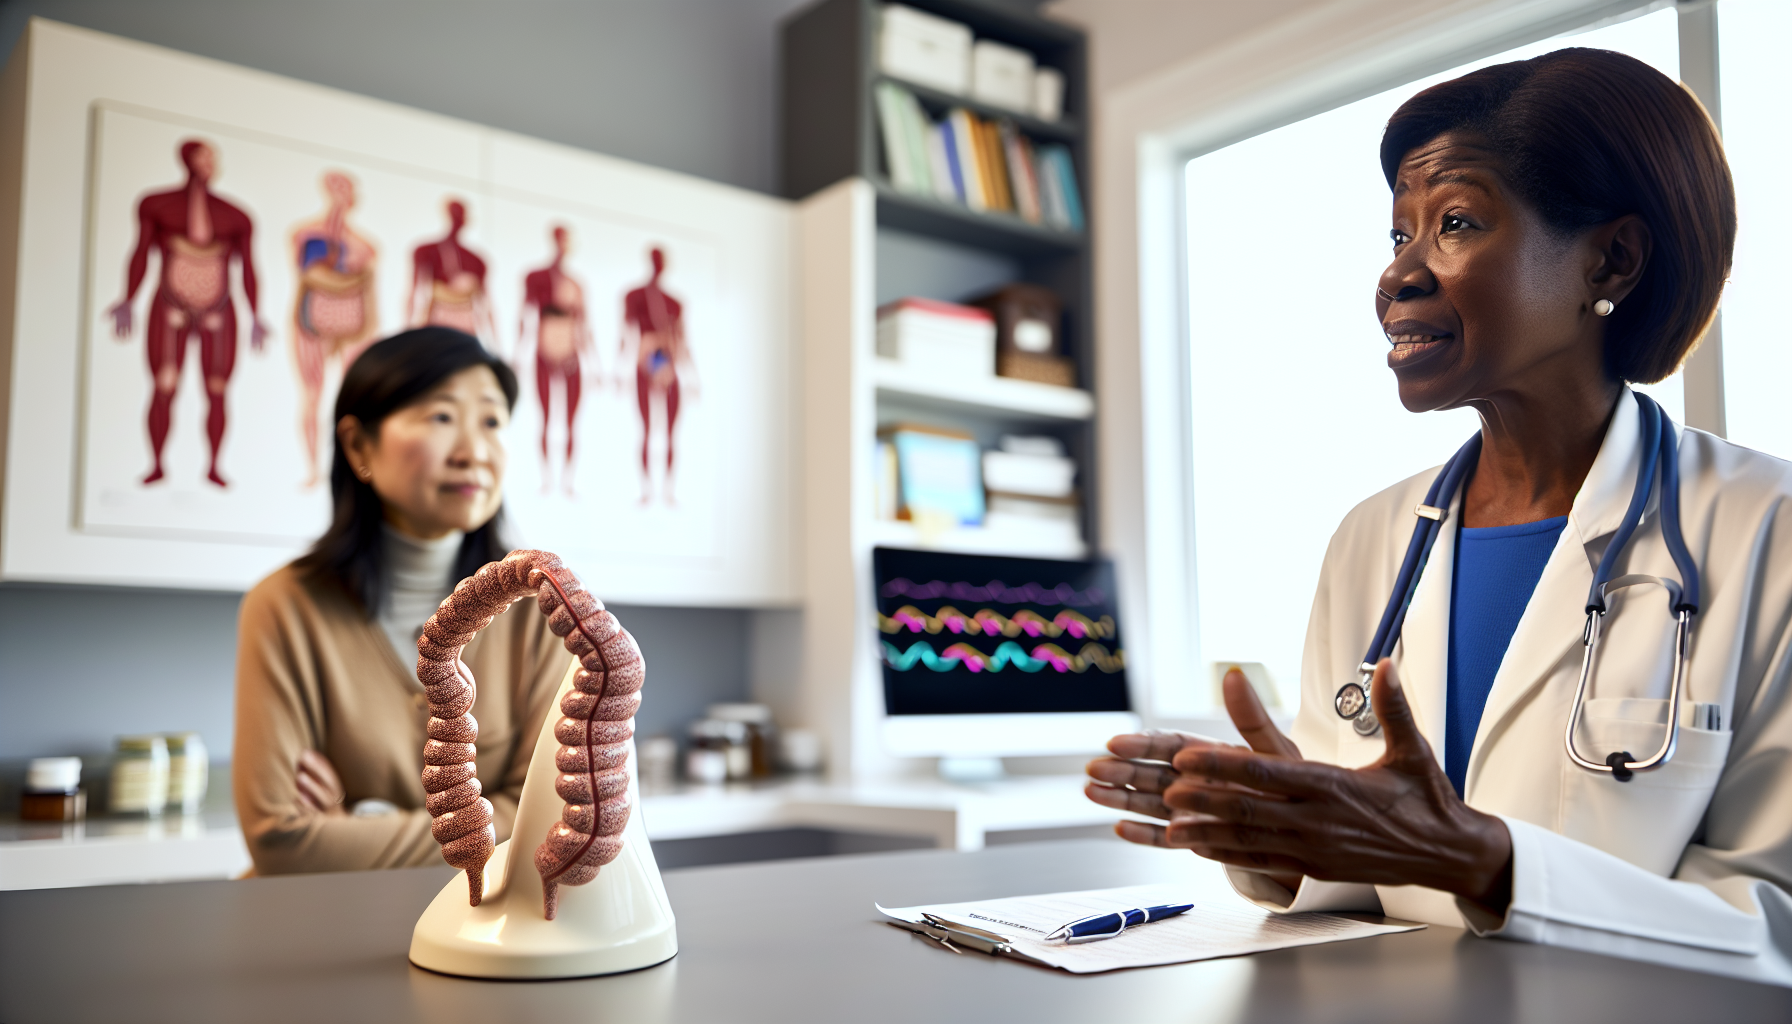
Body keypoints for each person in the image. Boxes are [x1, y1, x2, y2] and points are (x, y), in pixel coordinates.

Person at [1087, 49, 1792, 984]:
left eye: (1454, 223)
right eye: (1396, 237)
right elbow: (1368, 877)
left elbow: (1773, 926)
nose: (1400, 277)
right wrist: (1280, 841)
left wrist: (1479, 862)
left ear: (1611, 257)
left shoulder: (1765, 528)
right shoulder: (1371, 540)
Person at [233, 328, 565, 875]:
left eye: (492, 421)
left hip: (490, 938)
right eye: (441, 417)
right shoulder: (285, 606)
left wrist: (360, 824)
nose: (474, 452)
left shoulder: (538, 605)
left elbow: (548, 823)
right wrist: (487, 829)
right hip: (322, 929)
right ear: (360, 446)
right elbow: (278, 838)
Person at [107, 138, 269, 488]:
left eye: (213, 159)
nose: (210, 165)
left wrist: (256, 315)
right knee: (164, 384)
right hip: (169, 306)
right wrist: (127, 300)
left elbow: (248, 269)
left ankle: (213, 466)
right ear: (188, 161)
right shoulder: (157, 204)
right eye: (204, 158)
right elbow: (140, 253)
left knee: (217, 387)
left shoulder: (236, 216)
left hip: (220, 311)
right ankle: (157, 464)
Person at [290, 171, 380, 488]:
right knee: (313, 396)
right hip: (311, 325)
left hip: (352, 327)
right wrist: (357, 280)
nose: (348, 195)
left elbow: (371, 297)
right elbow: (312, 278)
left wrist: (363, 331)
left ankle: (353, 473)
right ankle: (313, 469)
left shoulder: (365, 247)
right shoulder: (306, 235)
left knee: (355, 401)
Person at [517, 225, 593, 493]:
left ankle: (568, 482)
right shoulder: (535, 277)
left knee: (571, 421)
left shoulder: (576, 284)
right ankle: (548, 479)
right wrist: (519, 353)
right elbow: (524, 317)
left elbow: (585, 326)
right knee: (547, 418)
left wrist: (593, 363)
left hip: (571, 354)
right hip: (544, 351)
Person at [619, 247, 696, 504]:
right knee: (647, 429)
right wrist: (620, 369)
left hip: (668, 363)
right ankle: (647, 490)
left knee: (671, 432)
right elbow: (626, 335)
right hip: (645, 360)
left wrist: (691, 375)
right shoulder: (635, 296)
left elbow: (682, 340)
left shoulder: (675, 302)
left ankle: (668, 491)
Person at [409, 198, 494, 346]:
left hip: (467, 324)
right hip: (438, 320)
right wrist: (409, 331)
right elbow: (413, 293)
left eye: (461, 215)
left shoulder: (477, 260)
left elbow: (487, 305)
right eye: (455, 214)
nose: (458, 219)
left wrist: (495, 344)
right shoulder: (426, 251)